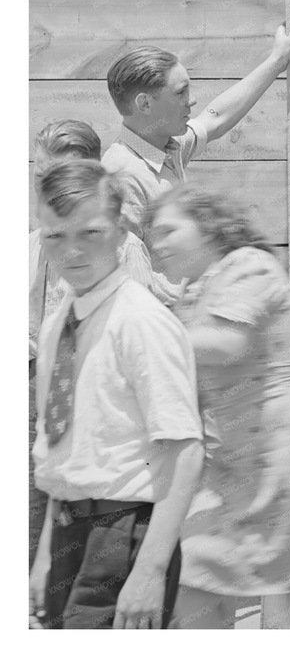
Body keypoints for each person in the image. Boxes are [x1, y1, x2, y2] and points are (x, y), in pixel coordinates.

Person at [145, 187, 290, 628]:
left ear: (210, 226)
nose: (158, 245)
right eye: (153, 235)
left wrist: (138, 335)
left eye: (169, 230)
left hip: (285, 459)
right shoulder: (195, 290)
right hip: (232, 465)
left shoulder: (248, 265)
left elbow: (227, 344)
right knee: (195, 581)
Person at [30, 160, 204, 629]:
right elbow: (60, 452)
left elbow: (184, 451)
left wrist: (149, 571)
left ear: (122, 230)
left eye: (90, 232)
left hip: (124, 533)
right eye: (54, 236)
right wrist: (46, 556)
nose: (72, 252)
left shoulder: (141, 322)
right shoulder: (57, 324)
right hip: (69, 528)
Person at [28, 121, 163, 568]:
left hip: (101, 407)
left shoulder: (124, 250)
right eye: (41, 178)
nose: (52, 192)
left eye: (62, 179)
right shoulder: (30, 246)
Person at [102, 29, 290, 243]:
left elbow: (216, 119)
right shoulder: (121, 178)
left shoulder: (166, 145)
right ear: (145, 104)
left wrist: (278, 59)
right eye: (181, 92)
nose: (192, 100)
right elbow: (128, 265)